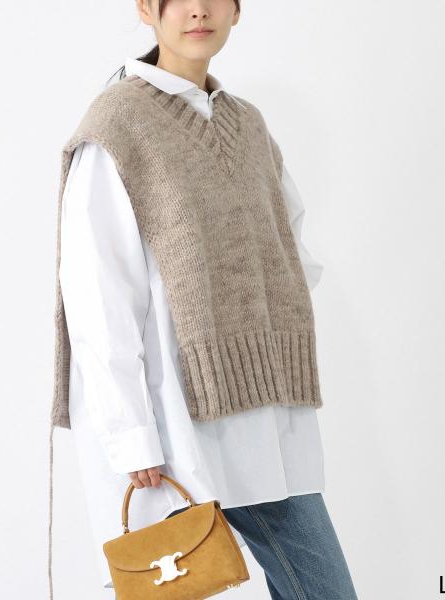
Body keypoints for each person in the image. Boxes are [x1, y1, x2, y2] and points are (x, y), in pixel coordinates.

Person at [47, 1, 359, 598]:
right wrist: (130, 433)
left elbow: (289, 247)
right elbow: (97, 295)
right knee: (173, 588)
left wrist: (258, 318)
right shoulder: (118, 123)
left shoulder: (248, 124)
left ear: (237, 11)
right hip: (171, 418)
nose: (198, 10)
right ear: (147, 8)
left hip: (264, 408)